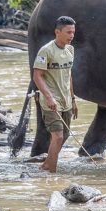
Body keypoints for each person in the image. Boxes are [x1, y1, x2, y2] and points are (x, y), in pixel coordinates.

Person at [32, 16, 78, 172]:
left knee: (63, 137)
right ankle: (51, 172)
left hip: (66, 100)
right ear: (57, 32)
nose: (71, 35)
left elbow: (68, 75)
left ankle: (45, 165)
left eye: (73, 32)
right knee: (57, 136)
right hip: (51, 101)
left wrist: (73, 99)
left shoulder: (70, 50)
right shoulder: (46, 50)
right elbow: (37, 76)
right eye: (68, 32)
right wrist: (49, 97)